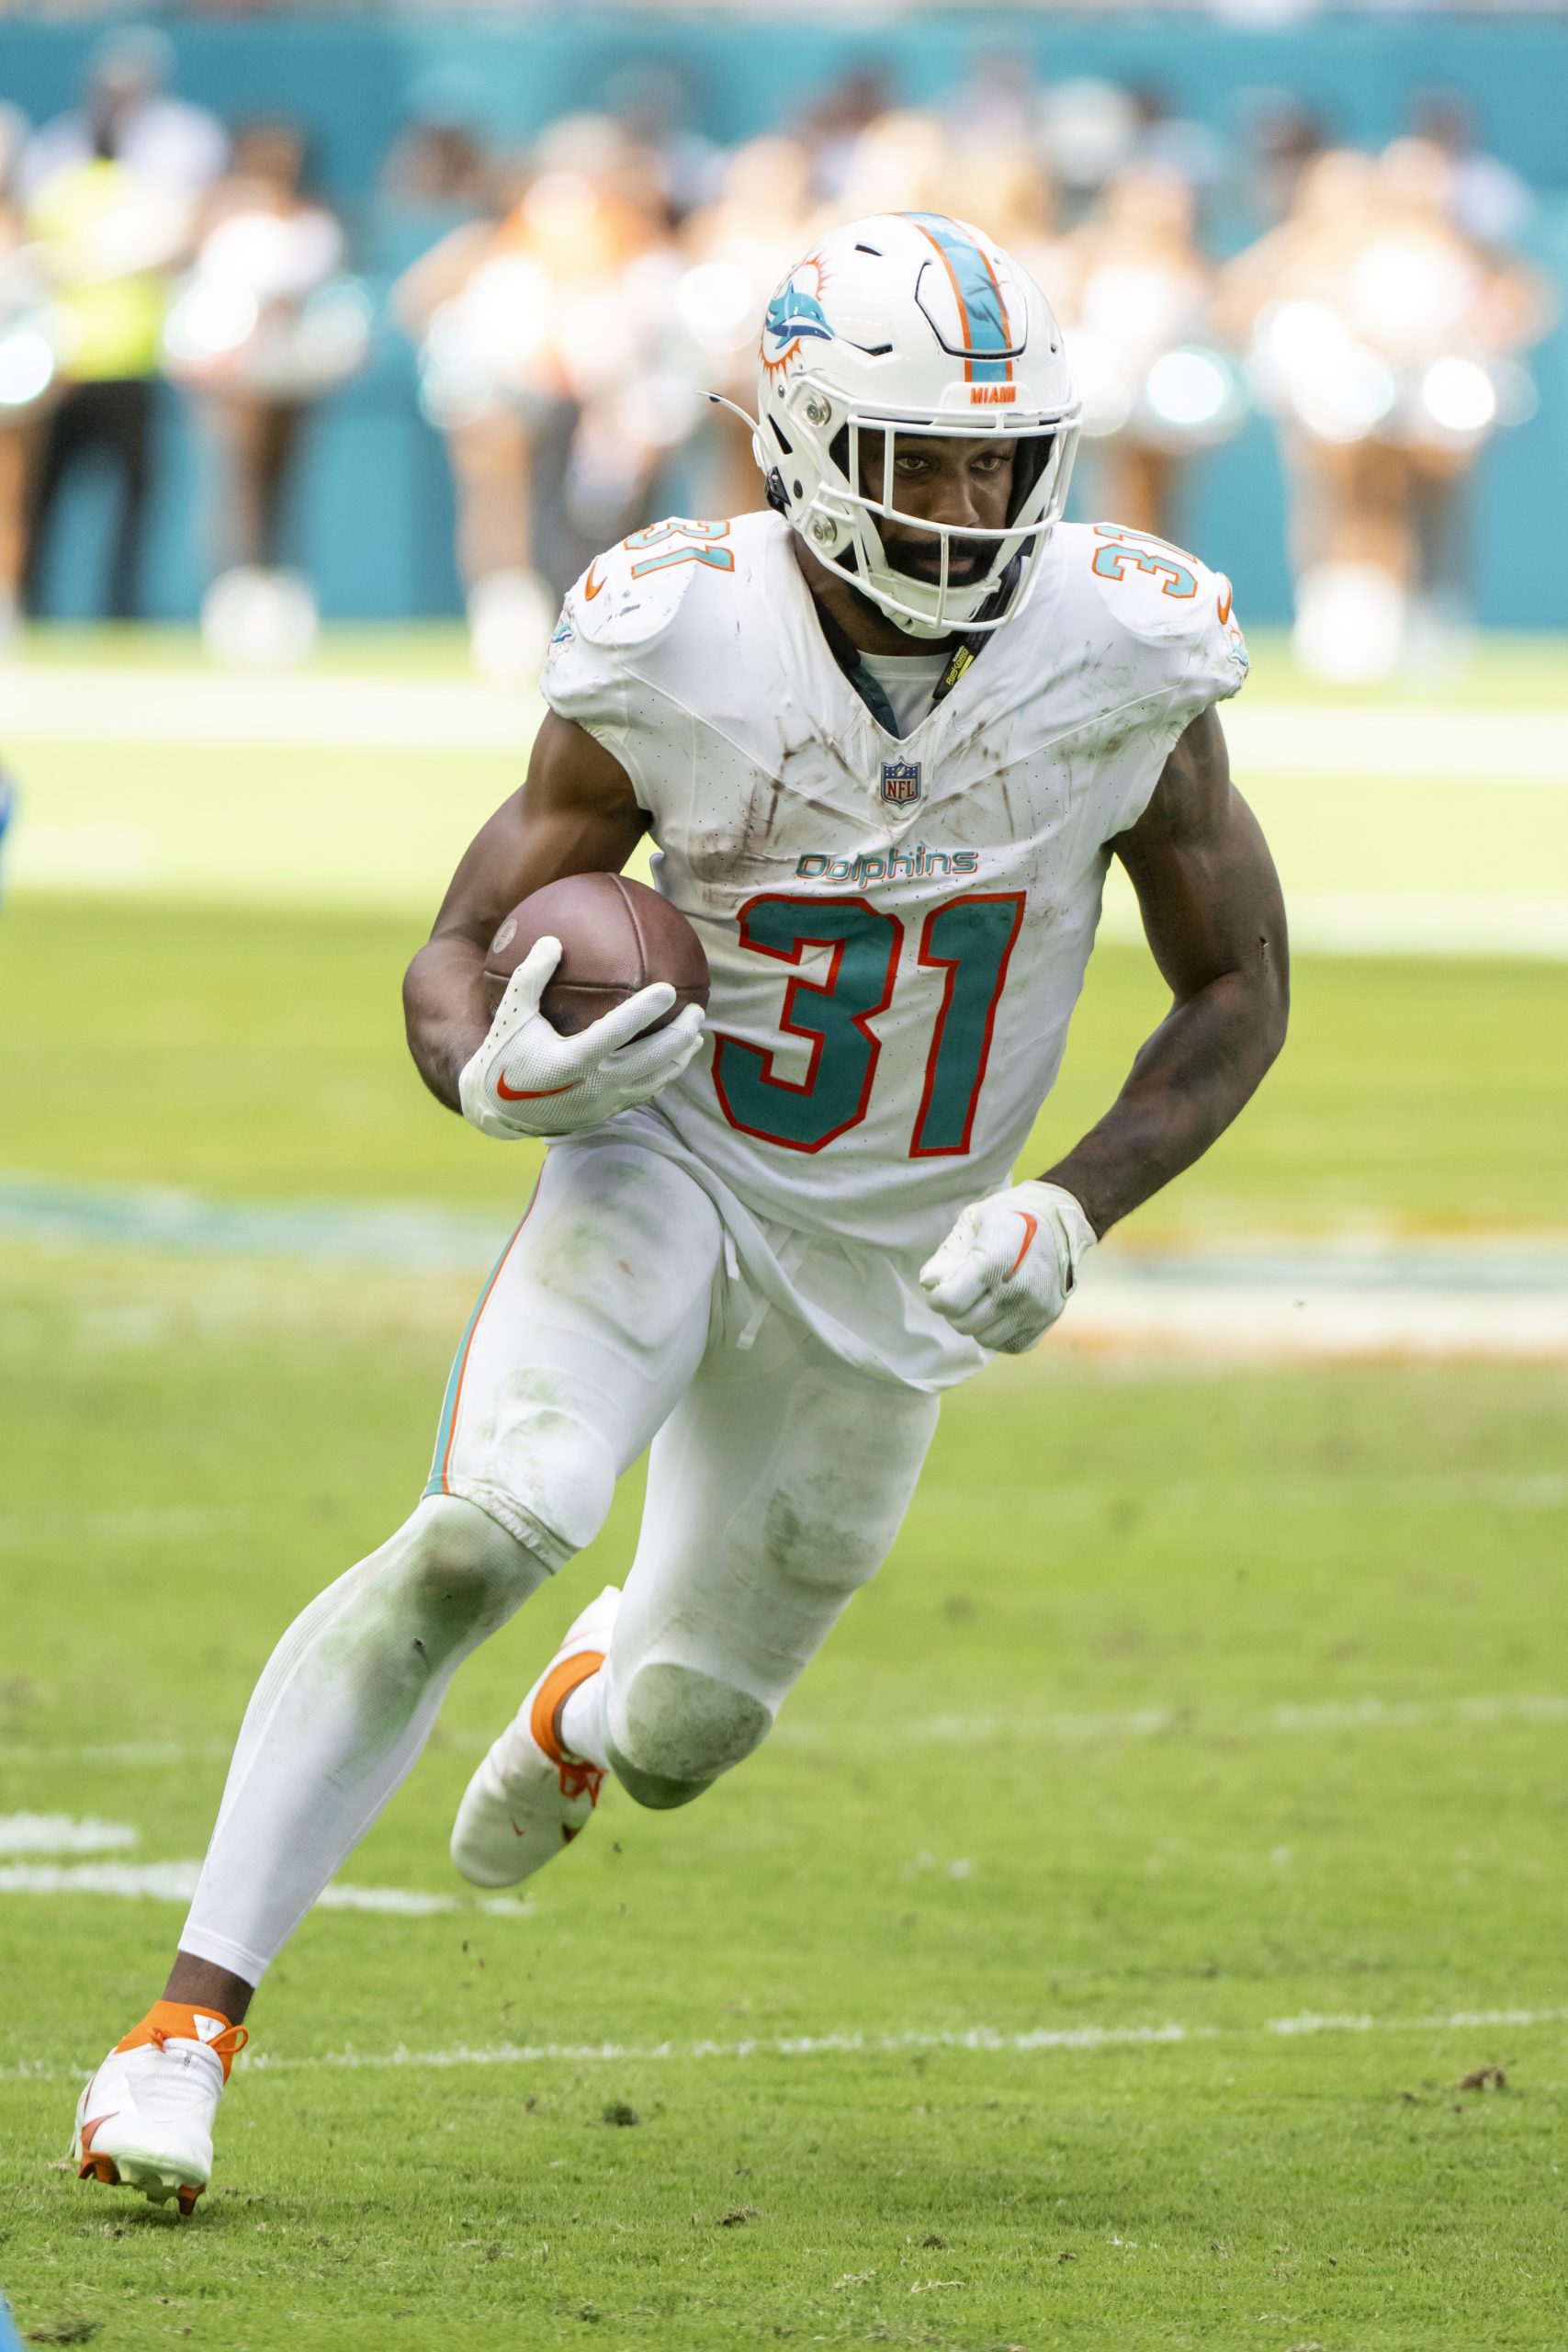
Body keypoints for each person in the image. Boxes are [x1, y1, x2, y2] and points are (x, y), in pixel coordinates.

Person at [72, 210, 1287, 2213]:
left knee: (687, 1730)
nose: (974, 502)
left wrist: (1069, 1206)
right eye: (923, 457)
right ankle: (182, 2028)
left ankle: (591, 1700)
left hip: (902, 1260)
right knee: (488, 1523)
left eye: (1001, 456)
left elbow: (1233, 979)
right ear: (803, 444)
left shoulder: (1126, 641)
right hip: (670, 1165)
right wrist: (494, 1067)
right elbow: (461, 941)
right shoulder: (673, 628)